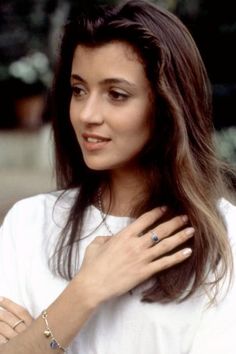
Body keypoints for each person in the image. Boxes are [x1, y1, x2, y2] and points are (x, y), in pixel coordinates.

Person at [0, 0, 236, 353]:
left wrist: (36, 342)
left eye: (116, 94)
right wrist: (84, 293)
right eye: (78, 90)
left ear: (167, 106)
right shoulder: (28, 223)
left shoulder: (225, 240)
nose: (87, 114)